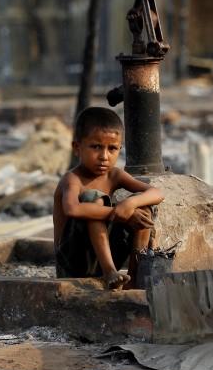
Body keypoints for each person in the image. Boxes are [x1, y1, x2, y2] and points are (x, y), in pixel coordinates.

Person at [53, 107, 164, 290]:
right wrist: (117, 211)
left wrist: (130, 204)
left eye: (112, 148)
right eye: (96, 147)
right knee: (94, 199)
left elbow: (156, 193)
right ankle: (110, 272)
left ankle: (133, 277)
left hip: (101, 253)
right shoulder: (72, 179)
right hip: (72, 261)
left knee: (143, 209)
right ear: (77, 148)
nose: (104, 156)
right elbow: (72, 209)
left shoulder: (115, 175)